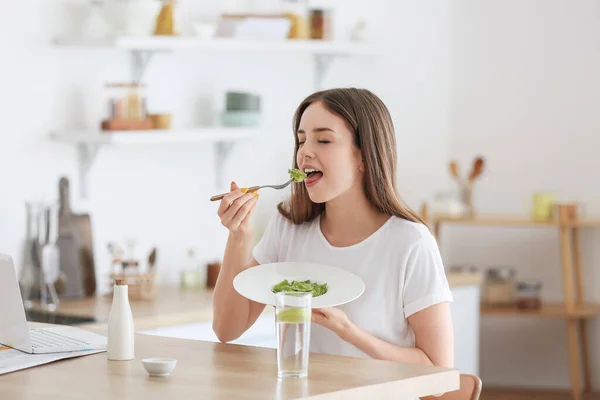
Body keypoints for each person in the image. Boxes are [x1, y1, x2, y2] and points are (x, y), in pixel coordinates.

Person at [212, 88, 454, 368]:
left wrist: (349, 331)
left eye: (324, 140)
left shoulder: (411, 243)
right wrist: (239, 237)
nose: (305, 152)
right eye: (301, 141)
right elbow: (226, 329)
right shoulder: (289, 227)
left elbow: (439, 374)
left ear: (364, 155)